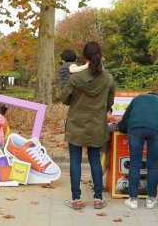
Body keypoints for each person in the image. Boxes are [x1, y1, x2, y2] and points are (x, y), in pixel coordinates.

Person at [59, 41, 115, 210]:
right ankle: (98, 198)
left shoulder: (75, 78)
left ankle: (76, 199)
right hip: (97, 124)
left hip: (77, 122)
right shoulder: (108, 78)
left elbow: (64, 98)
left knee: (75, 160)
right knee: (95, 160)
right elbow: (109, 102)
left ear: (84, 57)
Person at [117, 92, 158, 210]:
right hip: (157, 130)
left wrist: (121, 127)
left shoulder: (137, 99)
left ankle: (133, 200)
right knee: (153, 165)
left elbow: (126, 118)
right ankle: (151, 199)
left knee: (135, 164)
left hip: (136, 128)